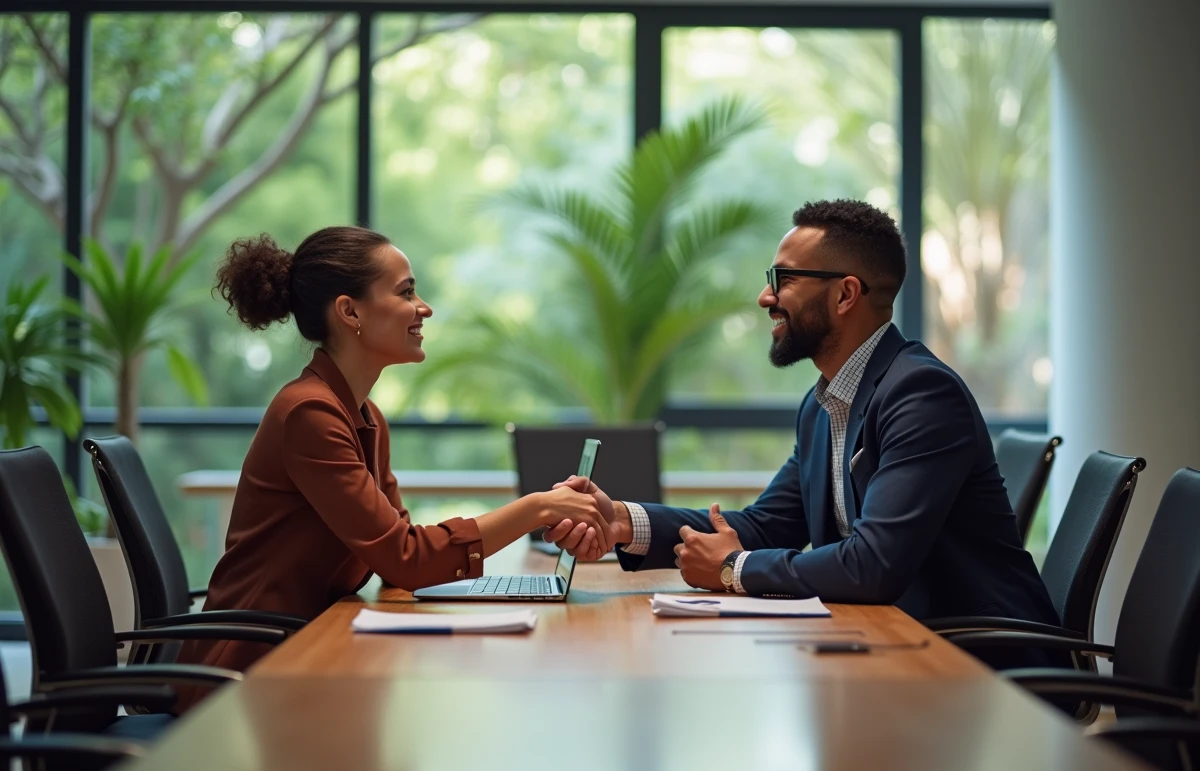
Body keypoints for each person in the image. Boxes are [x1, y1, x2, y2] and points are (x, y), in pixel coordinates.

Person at [547, 200, 1061, 666]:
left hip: (982, 662)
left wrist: (734, 569)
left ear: (845, 294)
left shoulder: (921, 394)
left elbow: (873, 564)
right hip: (894, 645)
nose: (764, 296)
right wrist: (620, 522)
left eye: (784, 278)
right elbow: (769, 525)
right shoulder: (824, 405)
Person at [175, 226, 606, 707]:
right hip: (251, 673)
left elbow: (399, 558)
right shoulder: (309, 414)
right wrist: (537, 509)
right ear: (349, 311)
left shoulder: (363, 416)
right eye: (406, 292)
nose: (425, 308)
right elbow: (406, 558)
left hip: (306, 651)